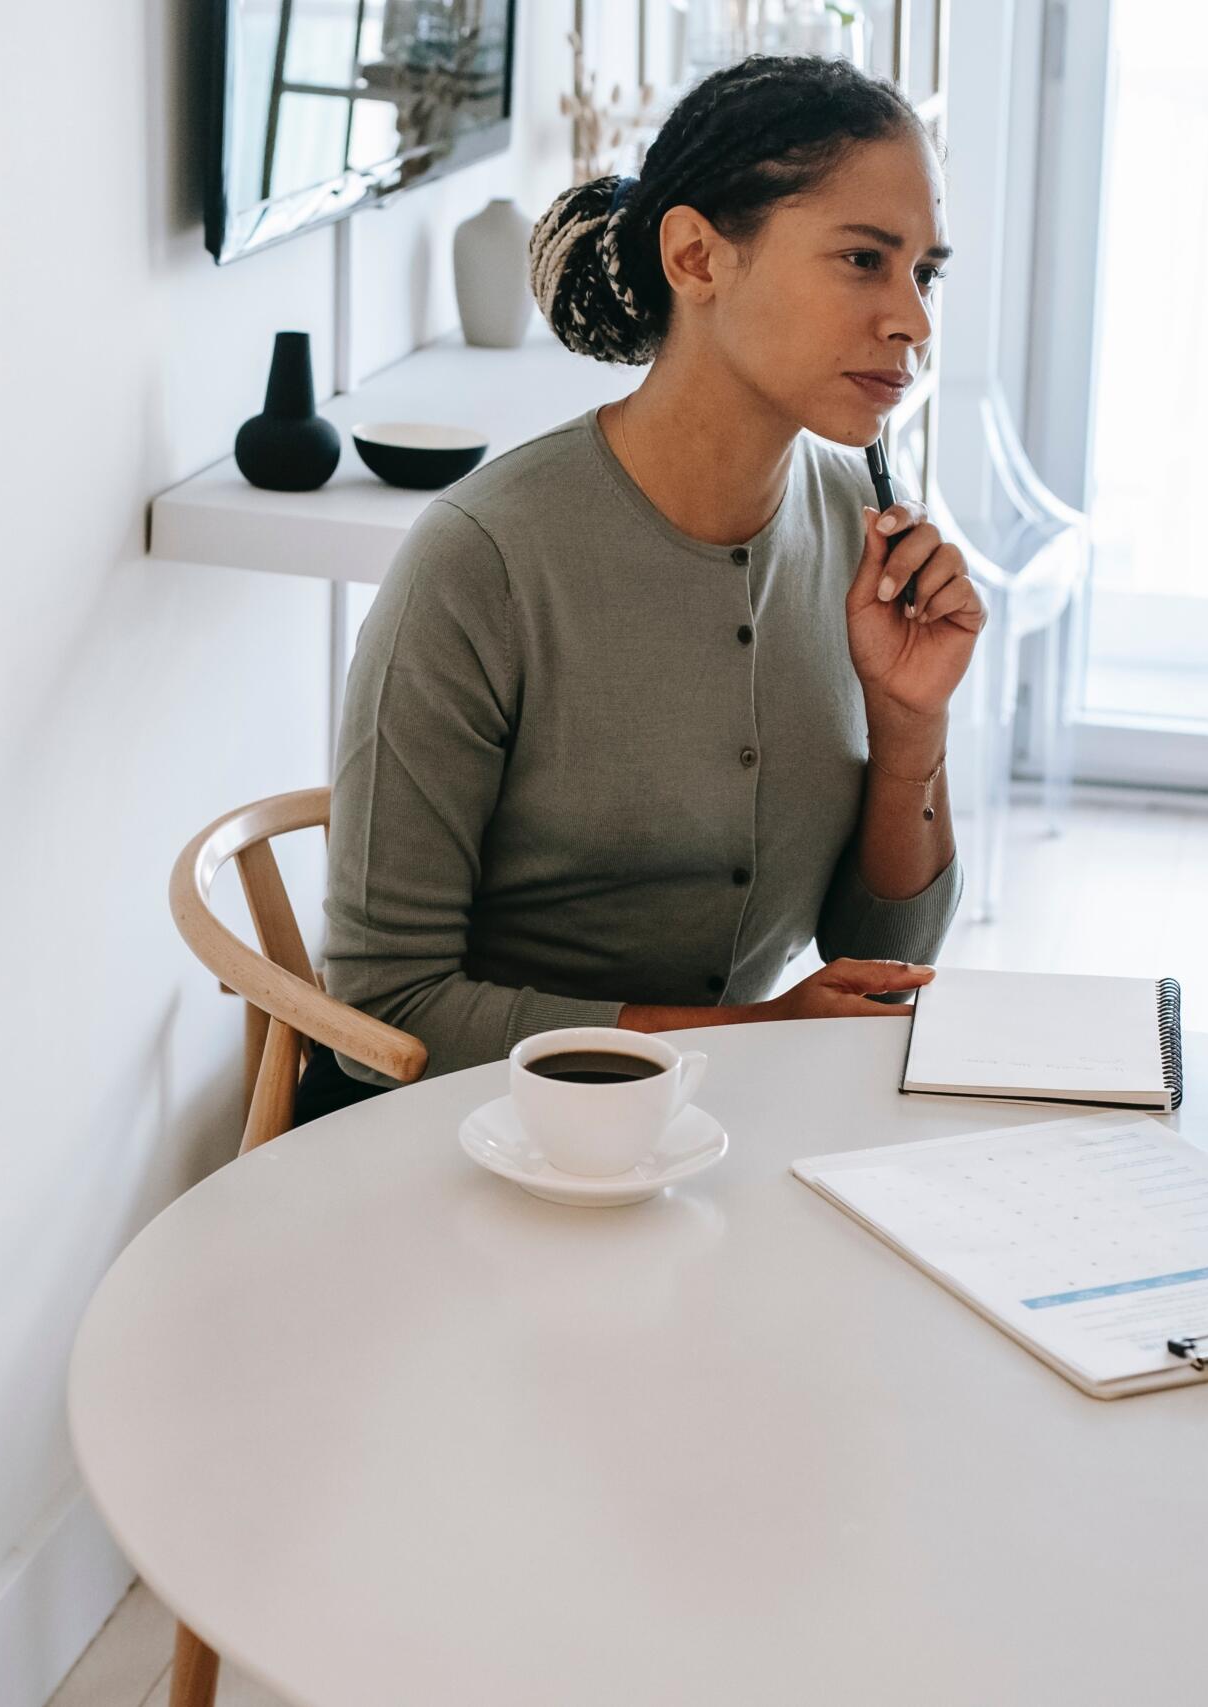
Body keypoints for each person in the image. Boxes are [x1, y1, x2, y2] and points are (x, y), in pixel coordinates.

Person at [298, 53, 985, 1126]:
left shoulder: (859, 535)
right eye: (863, 259)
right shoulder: (480, 560)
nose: (913, 321)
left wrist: (911, 725)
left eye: (925, 273)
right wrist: (756, 1037)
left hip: (706, 1133)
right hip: (455, 1140)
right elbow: (391, 1005)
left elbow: (877, 967)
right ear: (698, 256)